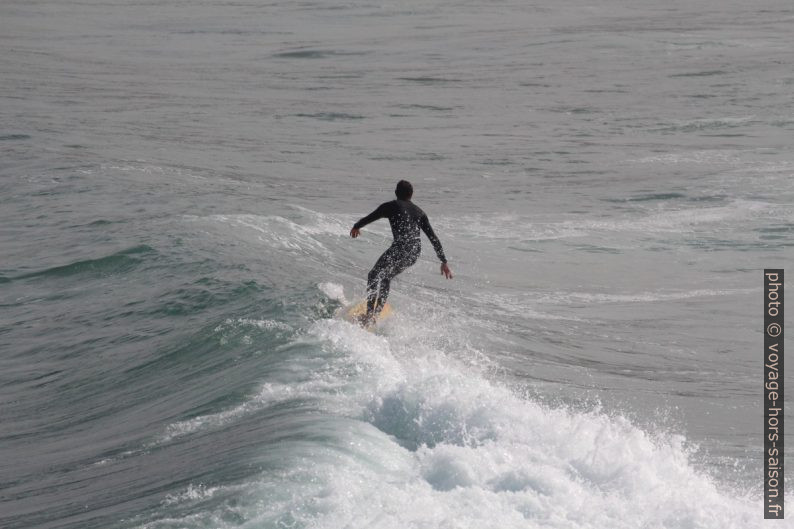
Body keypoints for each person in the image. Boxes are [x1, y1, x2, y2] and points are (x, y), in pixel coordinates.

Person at [350, 180, 453, 326]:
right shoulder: (419, 212)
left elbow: (371, 217)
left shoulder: (391, 206)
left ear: (396, 193)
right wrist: (444, 261)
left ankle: (369, 315)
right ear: (411, 195)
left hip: (400, 247)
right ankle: (375, 316)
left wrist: (356, 226)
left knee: (373, 275)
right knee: (386, 277)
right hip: (414, 252)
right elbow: (433, 238)